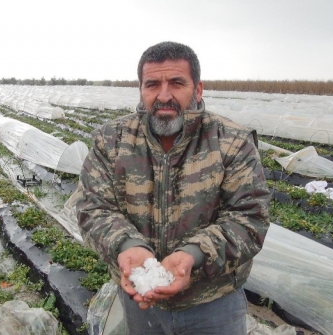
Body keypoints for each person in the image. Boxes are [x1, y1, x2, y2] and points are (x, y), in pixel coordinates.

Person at [76, 41, 270, 335]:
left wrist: (194, 255)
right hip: (141, 299)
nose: (163, 95)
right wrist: (129, 247)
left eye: (177, 83)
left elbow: (249, 218)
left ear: (198, 89)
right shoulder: (111, 141)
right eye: (152, 84)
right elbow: (93, 208)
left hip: (213, 301)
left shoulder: (232, 142)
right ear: (141, 89)